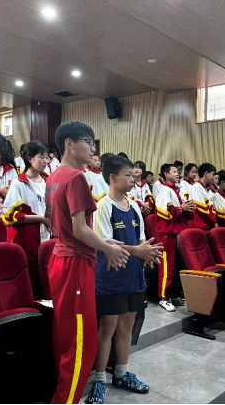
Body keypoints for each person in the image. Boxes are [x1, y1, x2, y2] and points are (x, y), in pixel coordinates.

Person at [44, 121, 129, 404]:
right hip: (75, 263)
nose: (93, 149)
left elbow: (64, 227)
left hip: (60, 259)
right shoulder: (75, 177)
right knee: (82, 342)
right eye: (88, 142)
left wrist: (105, 242)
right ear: (69, 143)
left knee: (68, 336)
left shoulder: (54, 176)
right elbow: (79, 230)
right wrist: (106, 248)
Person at [87, 156, 163, 404]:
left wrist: (147, 252)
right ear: (112, 178)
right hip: (111, 278)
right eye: (128, 175)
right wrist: (138, 251)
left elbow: (141, 239)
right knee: (107, 329)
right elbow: (106, 244)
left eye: (133, 175)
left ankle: (121, 373)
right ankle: (99, 379)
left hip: (133, 276)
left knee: (126, 327)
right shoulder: (103, 206)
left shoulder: (134, 207)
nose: (133, 179)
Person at [3, 141, 51, 294]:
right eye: (41, 157)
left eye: (46, 157)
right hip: (28, 240)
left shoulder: (47, 181)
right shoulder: (19, 184)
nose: (45, 161)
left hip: (47, 237)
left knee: (46, 283)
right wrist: (40, 219)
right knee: (30, 284)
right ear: (30, 159)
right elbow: (10, 216)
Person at [155, 163, 195, 311]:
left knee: (177, 266)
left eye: (177, 171)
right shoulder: (164, 191)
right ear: (166, 174)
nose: (177, 173)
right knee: (167, 266)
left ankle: (174, 294)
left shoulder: (177, 191)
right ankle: (164, 297)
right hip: (167, 235)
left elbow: (184, 214)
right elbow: (167, 214)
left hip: (178, 233)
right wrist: (182, 208)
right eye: (174, 171)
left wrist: (189, 208)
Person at [188, 162, 217, 230]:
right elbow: (203, 211)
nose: (213, 178)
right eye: (213, 175)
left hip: (207, 225)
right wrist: (213, 223)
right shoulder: (197, 187)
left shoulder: (205, 189)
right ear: (206, 174)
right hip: (200, 227)